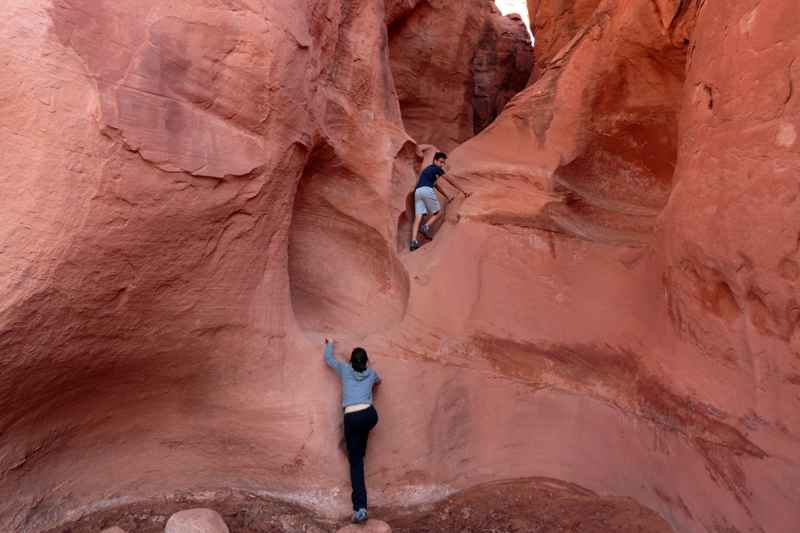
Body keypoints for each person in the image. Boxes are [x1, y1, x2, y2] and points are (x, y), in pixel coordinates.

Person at [324, 338, 381, 523]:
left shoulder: (345, 369)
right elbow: (379, 380)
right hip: (370, 415)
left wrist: (330, 344)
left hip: (352, 417)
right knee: (361, 434)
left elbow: (328, 359)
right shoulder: (371, 373)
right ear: (365, 362)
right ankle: (359, 449)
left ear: (351, 362)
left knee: (356, 464)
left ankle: (360, 509)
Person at [410, 152, 467, 251]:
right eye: (440, 162)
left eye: (443, 163)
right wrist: (463, 191)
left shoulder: (428, 171)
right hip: (426, 190)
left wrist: (447, 196)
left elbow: (436, 186)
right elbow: (450, 179)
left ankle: (413, 242)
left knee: (418, 217)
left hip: (418, 192)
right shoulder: (436, 169)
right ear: (435, 160)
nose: (442, 165)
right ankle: (426, 226)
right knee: (438, 212)